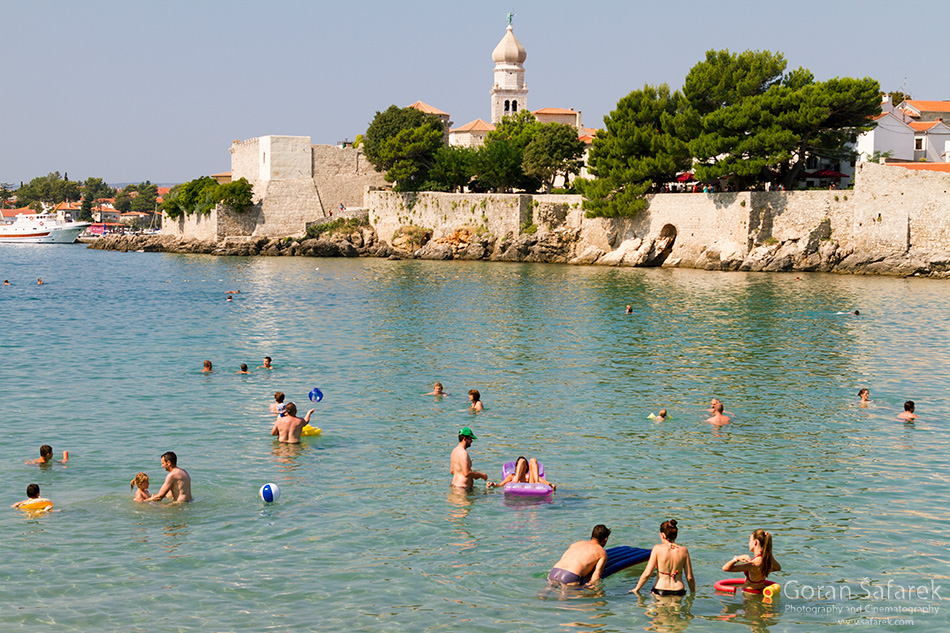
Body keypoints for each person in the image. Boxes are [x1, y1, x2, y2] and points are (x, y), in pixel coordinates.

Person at [632, 519, 695, 595]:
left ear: (662, 535)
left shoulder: (657, 549)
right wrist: (693, 593)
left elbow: (647, 573)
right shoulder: (684, 551)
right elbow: (690, 578)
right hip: (679, 591)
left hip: (661, 590)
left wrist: (636, 589)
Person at [722, 529, 781, 594]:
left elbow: (725, 568)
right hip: (760, 591)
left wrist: (737, 559)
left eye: (750, 541)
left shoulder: (753, 564)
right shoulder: (766, 560)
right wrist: (768, 552)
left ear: (755, 542)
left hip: (750, 594)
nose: (749, 543)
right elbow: (778, 568)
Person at [488, 456, 556, 490]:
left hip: (532, 485)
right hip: (517, 484)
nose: (523, 467)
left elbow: (546, 483)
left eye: (525, 465)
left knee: (533, 460)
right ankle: (516, 482)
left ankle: (536, 483)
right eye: (521, 465)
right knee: (522, 460)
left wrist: (551, 485)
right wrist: (493, 484)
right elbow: (500, 485)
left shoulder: (530, 476)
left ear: (527, 467)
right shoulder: (512, 476)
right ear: (517, 467)